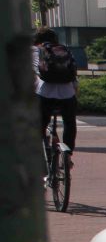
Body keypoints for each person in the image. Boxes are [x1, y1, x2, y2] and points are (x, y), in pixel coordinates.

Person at [33, 27, 77, 168]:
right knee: (69, 123)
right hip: (67, 93)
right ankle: (68, 156)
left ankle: (39, 159)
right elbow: (74, 72)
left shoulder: (37, 51)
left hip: (45, 93)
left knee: (40, 124)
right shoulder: (64, 49)